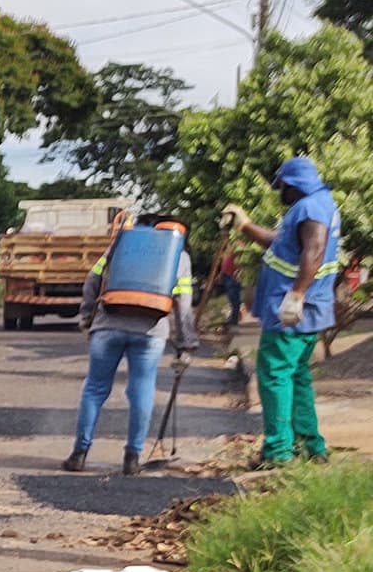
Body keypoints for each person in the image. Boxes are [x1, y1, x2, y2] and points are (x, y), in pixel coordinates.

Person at [221, 156, 342, 466]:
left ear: (293, 184)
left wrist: (296, 296)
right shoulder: (319, 204)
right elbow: (281, 243)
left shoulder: (310, 208)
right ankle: (310, 446)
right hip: (308, 309)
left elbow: (313, 252)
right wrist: (245, 225)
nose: (279, 192)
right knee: (297, 376)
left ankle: (278, 452)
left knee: (274, 375)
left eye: (282, 186)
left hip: (293, 310)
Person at [61, 224, 198, 476]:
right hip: (150, 331)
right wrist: (185, 344)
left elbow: (93, 279)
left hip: (108, 325)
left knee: (95, 387)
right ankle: (132, 459)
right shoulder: (180, 255)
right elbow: (183, 302)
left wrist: (86, 315)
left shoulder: (122, 243)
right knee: (141, 389)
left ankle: (79, 454)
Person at [220, 243, 242, 328]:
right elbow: (224, 265)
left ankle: (234, 320)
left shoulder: (237, 249)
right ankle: (233, 319)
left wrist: (238, 272)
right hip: (227, 276)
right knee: (231, 299)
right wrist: (221, 275)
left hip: (232, 277)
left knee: (234, 299)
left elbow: (240, 263)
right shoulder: (227, 252)